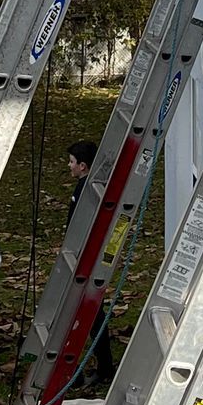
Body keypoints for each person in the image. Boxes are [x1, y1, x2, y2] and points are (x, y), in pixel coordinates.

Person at [67, 138, 116, 388]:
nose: (69, 166)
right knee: (92, 314)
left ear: (83, 166)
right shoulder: (87, 187)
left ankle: (102, 366)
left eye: (72, 162)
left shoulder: (86, 191)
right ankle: (99, 364)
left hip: (86, 259)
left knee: (92, 315)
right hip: (81, 257)